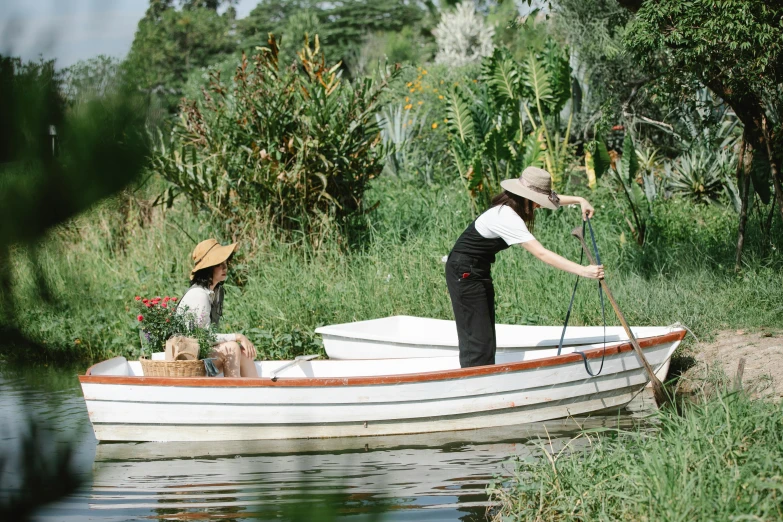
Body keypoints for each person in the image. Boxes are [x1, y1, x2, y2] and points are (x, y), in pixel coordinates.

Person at [446, 166, 605, 368]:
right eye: (538, 202)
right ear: (526, 197)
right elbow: (541, 253)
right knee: (477, 338)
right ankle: (474, 387)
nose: (540, 206)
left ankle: (484, 378)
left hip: (477, 269)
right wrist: (583, 271)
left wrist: (580, 200)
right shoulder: (506, 217)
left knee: (485, 333)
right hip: (464, 271)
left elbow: (554, 199)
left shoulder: (513, 205)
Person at [177, 238, 259, 378]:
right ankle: (232, 395)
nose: (225, 267)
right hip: (187, 358)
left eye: (225, 262)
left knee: (244, 352)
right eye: (219, 264)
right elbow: (204, 337)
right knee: (231, 347)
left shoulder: (215, 292)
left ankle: (255, 395)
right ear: (207, 269)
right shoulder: (199, 295)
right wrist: (238, 336)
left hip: (201, 352)